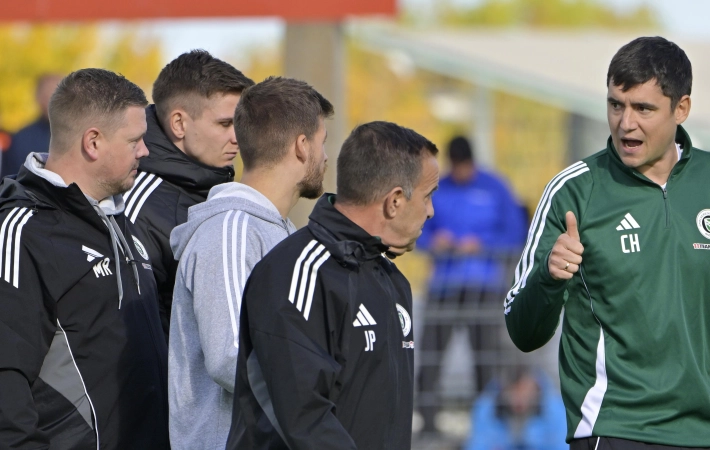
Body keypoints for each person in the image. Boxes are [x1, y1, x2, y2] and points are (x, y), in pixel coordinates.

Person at [504, 36, 710, 450]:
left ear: (681, 109)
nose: (625, 123)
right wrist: (549, 276)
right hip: (614, 431)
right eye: (616, 105)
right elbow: (523, 332)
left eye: (643, 108)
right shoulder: (574, 192)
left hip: (707, 434)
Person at [226, 121, 439, 449]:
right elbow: (303, 417)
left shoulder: (391, 280)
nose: (430, 211)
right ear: (394, 201)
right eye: (427, 197)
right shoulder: (297, 271)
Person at [0, 69, 168, 448]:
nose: (145, 150)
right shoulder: (21, 231)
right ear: (93, 142)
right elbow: (6, 384)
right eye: (135, 140)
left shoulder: (119, 218)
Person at [168, 76, 333, 450]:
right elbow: (230, 355)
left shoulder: (278, 231)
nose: (326, 157)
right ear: (302, 146)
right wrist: (325, 399)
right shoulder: (231, 229)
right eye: (323, 143)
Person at [123, 50, 253, 338]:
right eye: (225, 124)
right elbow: (132, 336)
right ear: (179, 123)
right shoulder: (135, 204)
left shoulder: (216, 190)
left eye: (240, 124)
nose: (238, 137)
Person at [416, 135, 527, 432]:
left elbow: (517, 233)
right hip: (445, 285)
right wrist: (433, 241)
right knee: (431, 353)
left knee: (486, 357)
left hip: (484, 286)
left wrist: (481, 244)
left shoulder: (495, 188)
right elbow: (418, 229)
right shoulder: (439, 188)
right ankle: (427, 422)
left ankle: (487, 423)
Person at [465, 367, 568, 450]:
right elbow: (477, 444)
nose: (518, 400)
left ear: (534, 386)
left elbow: (561, 445)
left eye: (524, 391)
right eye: (512, 392)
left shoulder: (554, 407)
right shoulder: (486, 407)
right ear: (503, 388)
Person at [2, 74, 62, 177]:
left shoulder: (81, 137)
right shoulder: (20, 140)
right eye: (49, 95)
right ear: (39, 98)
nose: (54, 103)